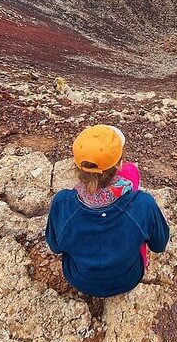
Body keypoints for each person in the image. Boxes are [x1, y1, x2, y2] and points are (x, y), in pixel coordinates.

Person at [45, 124, 169, 297]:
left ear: (76, 166)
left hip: (79, 278)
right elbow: (159, 245)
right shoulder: (143, 204)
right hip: (128, 279)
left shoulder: (62, 202)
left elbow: (55, 247)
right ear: (119, 165)